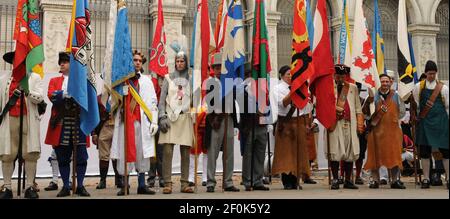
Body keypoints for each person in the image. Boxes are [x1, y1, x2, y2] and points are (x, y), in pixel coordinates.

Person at [110, 50, 159, 195]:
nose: (137, 62)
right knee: (126, 151)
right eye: (134, 60)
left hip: (142, 122)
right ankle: (124, 185)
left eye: (139, 60)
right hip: (126, 122)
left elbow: (153, 102)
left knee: (142, 153)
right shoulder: (122, 80)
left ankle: (142, 185)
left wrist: (154, 122)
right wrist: (120, 96)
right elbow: (112, 102)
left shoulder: (147, 81)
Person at [44, 52, 90, 197]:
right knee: (62, 156)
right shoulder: (54, 80)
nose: (62, 64)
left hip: (78, 122)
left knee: (81, 156)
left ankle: (80, 186)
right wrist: (63, 94)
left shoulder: (81, 80)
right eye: (61, 62)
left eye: (65, 62)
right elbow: (51, 95)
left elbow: (87, 97)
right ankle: (65, 185)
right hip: (61, 123)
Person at [0, 51, 45, 199]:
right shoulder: (3, 79)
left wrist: (28, 92)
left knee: (30, 153)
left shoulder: (35, 77)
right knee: (8, 154)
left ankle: (29, 187)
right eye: (15, 60)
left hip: (28, 119)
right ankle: (7, 188)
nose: (18, 62)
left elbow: (39, 98)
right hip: (10, 120)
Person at [158, 47, 194, 194]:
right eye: (177, 61)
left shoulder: (191, 79)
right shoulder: (167, 78)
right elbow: (161, 100)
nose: (179, 63)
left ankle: (185, 183)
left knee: (185, 152)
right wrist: (161, 116)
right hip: (170, 117)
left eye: (182, 61)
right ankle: (167, 183)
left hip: (185, 118)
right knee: (167, 151)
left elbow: (194, 100)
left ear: (186, 63)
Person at [272, 65, 312, 190]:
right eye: (288, 74)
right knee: (285, 154)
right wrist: (292, 92)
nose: (290, 76)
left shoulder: (299, 88)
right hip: (285, 123)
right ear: (281, 75)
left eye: (291, 74)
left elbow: (305, 107)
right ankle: (287, 180)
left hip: (298, 121)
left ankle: (296, 179)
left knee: (298, 152)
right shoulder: (277, 89)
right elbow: (282, 103)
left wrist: (307, 122)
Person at [204, 52, 239, 193]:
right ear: (213, 69)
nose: (219, 70)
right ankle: (211, 182)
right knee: (213, 152)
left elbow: (235, 99)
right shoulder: (211, 83)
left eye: (221, 68)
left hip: (229, 118)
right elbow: (210, 102)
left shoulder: (230, 82)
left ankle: (228, 181)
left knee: (229, 152)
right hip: (215, 120)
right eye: (216, 68)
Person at [364, 74, 406, 189]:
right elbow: (366, 115)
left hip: (392, 132)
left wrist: (392, 119)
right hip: (376, 131)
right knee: (374, 156)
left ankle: (394, 180)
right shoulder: (373, 96)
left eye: (387, 81)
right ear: (379, 82)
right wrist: (369, 104)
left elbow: (402, 112)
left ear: (390, 83)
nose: (385, 84)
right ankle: (375, 180)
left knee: (394, 156)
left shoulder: (396, 96)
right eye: (382, 81)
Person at [326, 64, 364, 190]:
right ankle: (336, 179)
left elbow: (358, 108)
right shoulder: (328, 87)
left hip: (350, 123)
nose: (340, 78)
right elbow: (322, 106)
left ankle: (348, 180)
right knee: (335, 152)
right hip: (335, 123)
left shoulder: (352, 88)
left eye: (343, 76)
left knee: (350, 153)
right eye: (338, 76)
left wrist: (359, 125)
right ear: (334, 75)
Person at [412, 60, 449, 189]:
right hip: (425, 123)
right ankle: (426, 179)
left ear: (436, 73)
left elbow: (448, 107)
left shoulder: (443, 88)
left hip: (441, 123)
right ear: (425, 73)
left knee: (445, 151)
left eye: (433, 73)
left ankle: (448, 179)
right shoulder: (418, 87)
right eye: (429, 73)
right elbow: (416, 105)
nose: (431, 76)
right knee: (424, 151)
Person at [239, 66, 270, 192]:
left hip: (261, 124)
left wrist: (266, 119)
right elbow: (242, 104)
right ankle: (248, 181)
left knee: (260, 153)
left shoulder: (262, 87)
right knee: (248, 154)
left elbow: (267, 104)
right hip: (248, 125)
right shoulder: (242, 88)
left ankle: (258, 180)